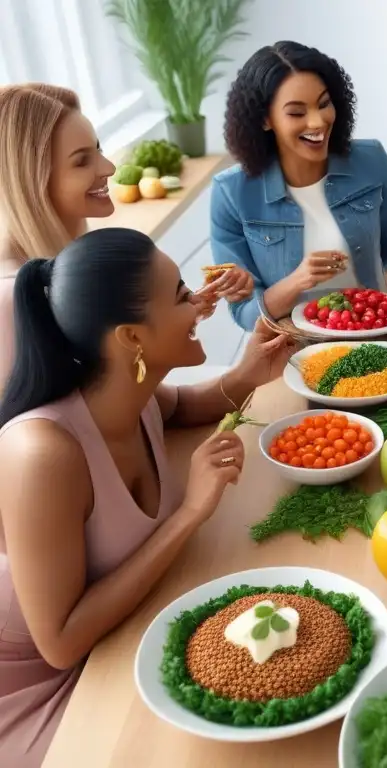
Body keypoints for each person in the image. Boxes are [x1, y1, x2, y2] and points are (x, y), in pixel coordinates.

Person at [0, 228, 294, 766]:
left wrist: (251, 372)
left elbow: (184, 407)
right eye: (183, 295)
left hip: (115, 643)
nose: (201, 306)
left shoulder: (129, 391)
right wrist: (189, 514)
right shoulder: (41, 453)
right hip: (40, 688)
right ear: (132, 338)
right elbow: (61, 643)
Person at [0, 83, 253, 391]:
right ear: (32, 179)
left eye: (99, 150)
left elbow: (142, 399)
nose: (109, 167)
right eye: (81, 161)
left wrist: (187, 308)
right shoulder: (12, 299)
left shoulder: (76, 260)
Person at [211, 40, 387, 332]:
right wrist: (298, 281)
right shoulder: (231, 192)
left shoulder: (372, 160)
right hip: (291, 353)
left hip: (374, 337)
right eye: (297, 113)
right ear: (264, 119)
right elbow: (244, 314)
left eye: (324, 104)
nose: (318, 122)